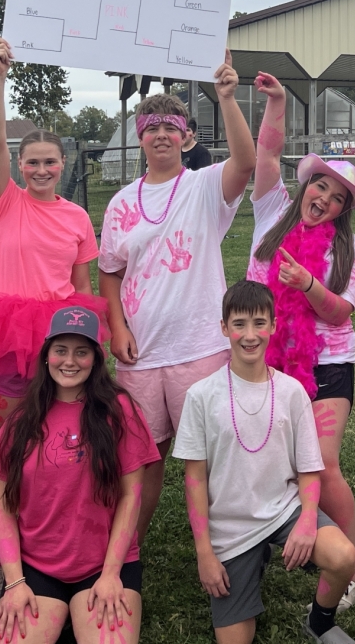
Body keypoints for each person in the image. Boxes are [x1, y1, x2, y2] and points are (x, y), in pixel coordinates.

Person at [99, 49, 256, 547]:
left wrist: (227, 98)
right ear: (140, 136)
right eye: (151, 128)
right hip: (141, 354)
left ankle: (229, 548)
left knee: (210, 456)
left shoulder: (205, 186)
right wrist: (119, 329)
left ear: (186, 136)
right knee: (145, 458)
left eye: (171, 127)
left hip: (199, 350)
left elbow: (247, 162)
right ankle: (129, 549)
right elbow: (110, 272)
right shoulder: (121, 203)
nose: (161, 135)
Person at [173, 281, 355, 644]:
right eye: (239, 324)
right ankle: (251, 557)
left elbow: (310, 469)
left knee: (344, 557)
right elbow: (194, 480)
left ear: (273, 326)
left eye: (259, 323)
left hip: (283, 511)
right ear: (224, 328)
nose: (249, 335)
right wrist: (205, 554)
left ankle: (320, 621)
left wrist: (308, 520)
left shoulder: (293, 391)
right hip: (231, 527)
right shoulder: (201, 396)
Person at [245, 71, 355, 612]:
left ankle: (352, 568)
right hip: (262, 356)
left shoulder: (352, 252)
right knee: (267, 459)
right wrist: (276, 103)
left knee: (322, 462)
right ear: (306, 187)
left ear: (344, 210)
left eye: (337, 197)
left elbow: (341, 311)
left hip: (327, 365)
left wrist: (309, 285)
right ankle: (259, 543)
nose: (324, 198)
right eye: (320, 186)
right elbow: (267, 157)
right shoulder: (272, 211)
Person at [0, 306, 160, 644]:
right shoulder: (23, 418)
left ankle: (73, 617)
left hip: (102, 565)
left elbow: (132, 493)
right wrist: (14, 582)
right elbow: (1, 502)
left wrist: (113, 573)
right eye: (61, 349)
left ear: (96, 359)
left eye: (82, 351)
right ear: (46, 353)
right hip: (37, 567)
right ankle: (59, 615)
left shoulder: (120, 411)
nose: (70, 361)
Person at [0, 37, 104, 442]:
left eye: (50, 162)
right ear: (20, 166)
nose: (42, 170)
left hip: (60, 331)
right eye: (33, 162)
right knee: (1, 433)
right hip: (6, 331)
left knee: (55, 428)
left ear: (62, 164)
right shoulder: (4, 202)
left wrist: (90, 334)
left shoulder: (77, 217)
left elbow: (81, 285)